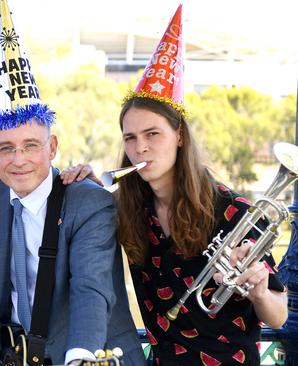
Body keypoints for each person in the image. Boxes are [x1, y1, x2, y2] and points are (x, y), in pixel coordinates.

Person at [114, 5, 287, 365]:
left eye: (152, 134)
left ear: (179, 136)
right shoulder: (128, 210)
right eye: (130, 138)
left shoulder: (233, 211)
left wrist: (257, 292)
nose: (140, 147)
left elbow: (278, 315)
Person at [0, 1, 144, 365]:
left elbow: (91, 291)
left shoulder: (88, 202)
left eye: (30, 146)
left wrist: (80, 357)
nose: (18, 160)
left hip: (93, 355)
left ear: (52, 147)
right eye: (6, 148)